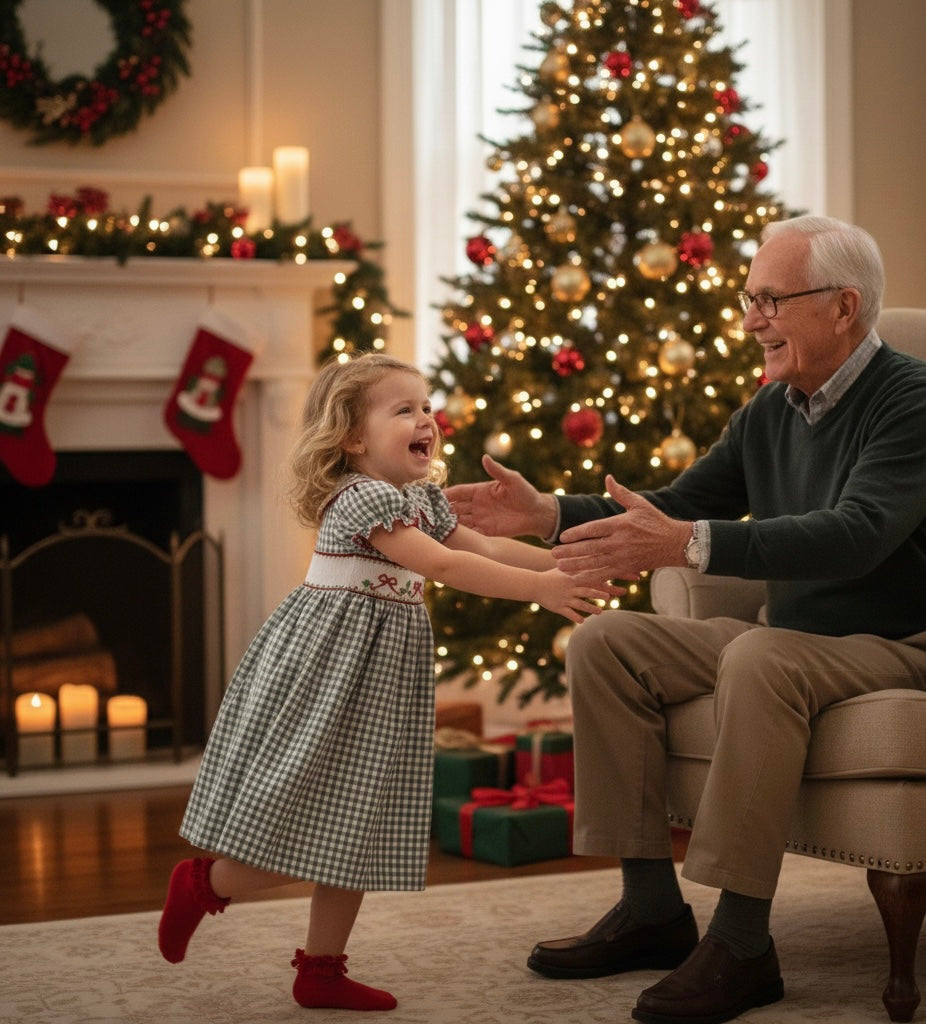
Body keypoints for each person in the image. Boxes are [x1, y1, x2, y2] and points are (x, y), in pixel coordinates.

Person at [444, 215, 926, 1024]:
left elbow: (858, 534)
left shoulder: (910, 399)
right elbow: (676, 508)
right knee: (607, 642)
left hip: (897, 643)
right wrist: (546, 514)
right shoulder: (772, 410)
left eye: (770, 299)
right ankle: (652, 910)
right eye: (748, 298)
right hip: (795, 640)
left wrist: (689, 544)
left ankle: (742, 943)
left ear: (845, 308)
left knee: (762, 658)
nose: (749, 320)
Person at [157, 352, 611, 1011]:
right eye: (404, 409)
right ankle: (205, 884)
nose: (426, 418)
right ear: (352, 436)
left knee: (360, 825)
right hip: (331, 673)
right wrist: (541, 590)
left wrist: (560, 564)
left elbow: (480, 549)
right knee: (318, 825)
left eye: (426, 407)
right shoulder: (359, 496)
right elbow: (441, 565)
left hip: (379, 679)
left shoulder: (419, 498)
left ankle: (320, 970)